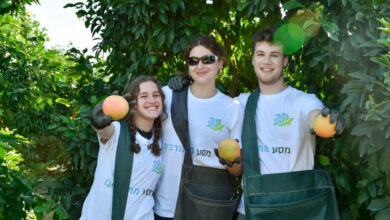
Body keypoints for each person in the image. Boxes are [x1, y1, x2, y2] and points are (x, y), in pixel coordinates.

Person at [168, 26, 345, 220]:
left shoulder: (304, 101)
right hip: (253, 209)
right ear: (253, 59)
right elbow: (208, 104)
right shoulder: (240, 104)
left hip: (297, 206)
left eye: (274, 55)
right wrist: (183, 84)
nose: (266, 61)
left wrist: (327, 120)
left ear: (285, 61)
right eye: (260, 54)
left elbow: (314, 117)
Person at [153, 35, 244, 220]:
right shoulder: (169, 95)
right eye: (193, 61)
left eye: (207, 60)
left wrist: (232, 163)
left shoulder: (232, 108)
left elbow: (237, 171)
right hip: (166, 204)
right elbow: (138, 129)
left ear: (220, 63)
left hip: (207, 205)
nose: (200, 66)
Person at [80, 75, 167, 220]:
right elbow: (105, 132)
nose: (152, 100)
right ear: (133, 104)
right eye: (144, 96)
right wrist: (98, 123)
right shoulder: (118, 131)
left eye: (156, 95)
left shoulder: (161, 139)